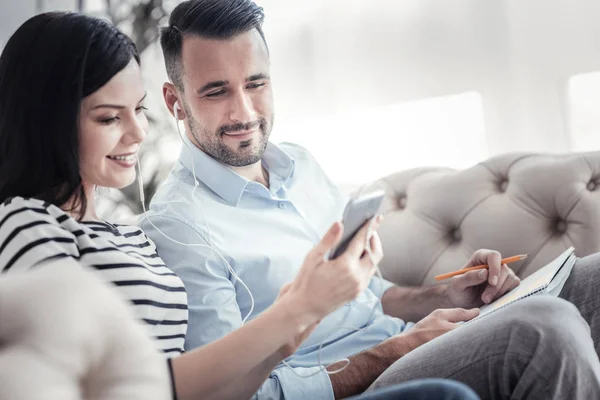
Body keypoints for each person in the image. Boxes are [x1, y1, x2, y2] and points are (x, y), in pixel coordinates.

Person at [0, 11, 479, 400]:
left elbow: (207, 379)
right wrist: (300, 309)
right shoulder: (30, 223)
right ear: (48, 119)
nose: (139, 135)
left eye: (137, 111)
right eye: (109, 117)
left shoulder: (126, 236)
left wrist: (303, 315)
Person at [142, 0, 600, 399]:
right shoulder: (178, 229)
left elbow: (369, 297)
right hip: (364, 382)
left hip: (411, 343)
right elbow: (240, 392)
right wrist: (394, 351)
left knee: (593, 278)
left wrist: (445, 294)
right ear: (175, 101)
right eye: (217, 91)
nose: (243, 111)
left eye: (255, 84)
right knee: (545, 328)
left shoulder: (299, 165)